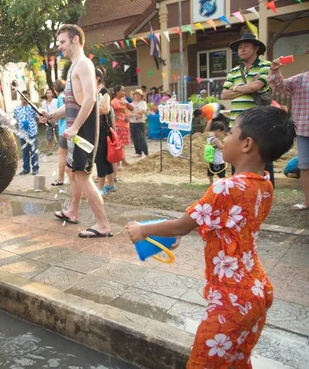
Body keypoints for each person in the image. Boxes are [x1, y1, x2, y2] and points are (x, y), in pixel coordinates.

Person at [126, 106, 296, 369]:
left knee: (202, 364)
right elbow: (232, 227)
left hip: (232, 296)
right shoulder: (265, 184)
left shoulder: (225, 186)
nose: (223, 137)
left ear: (247, 144)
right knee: (238, 362)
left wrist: (143, 230)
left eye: (230, 132)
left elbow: (182, 226)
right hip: (258, 288)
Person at [41, 24, 112, 238]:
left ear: (75, 40)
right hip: (76, 130)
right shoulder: (73, 68)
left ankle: (103, 225)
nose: (59, 47)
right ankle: (72, 211)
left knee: (83, 176)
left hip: (84, 131)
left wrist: (75, 127)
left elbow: (90, 99)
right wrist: (52, 116)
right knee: (74, 172)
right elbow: (72, 105)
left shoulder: (84, 65)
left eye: (62, 42)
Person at [221, 32, 274, 185]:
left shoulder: (266, 65)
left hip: (259, 122)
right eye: (240, 48)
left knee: (261, 157)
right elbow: (224, 94)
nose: (242, 50)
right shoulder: (234, 71)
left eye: (246, 47)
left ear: (255, 48)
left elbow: (257, 86)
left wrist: (236, 88)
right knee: (237, 157)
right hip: (236, 122)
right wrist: (247, 87)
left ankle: (264, 192)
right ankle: (237, 190)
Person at [269, 61, 309, 211]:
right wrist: (274, 70)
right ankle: (307, 201)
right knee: (305, 167)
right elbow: (279, 85)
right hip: (304, 129)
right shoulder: (301, 79)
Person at [93, 68, 116, 194]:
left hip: (103, 130)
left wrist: (90, 107)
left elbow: (105, 109)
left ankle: (101, 187)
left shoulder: (104, 92)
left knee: (101, 158)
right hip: (95, 128)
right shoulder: (90, 92)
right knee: (104, 158)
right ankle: (111, 184)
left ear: (97, 78)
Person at [14, 90, 40, 176]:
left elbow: (37, 119)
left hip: (32, 132)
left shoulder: (32, 107)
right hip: (22, 134)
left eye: (26, 97)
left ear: (28, 97)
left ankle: (35, 168)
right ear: (20, 97)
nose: (24, 98)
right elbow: (16, 119)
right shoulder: (17, 109)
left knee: (33, 151)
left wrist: (33, 127)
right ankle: (26, 169)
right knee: (25, 151)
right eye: (22, 96)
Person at [112, 85, 134, 170]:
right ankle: (118, 163)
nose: (124, 92)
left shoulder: (124, 100)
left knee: (123, 144)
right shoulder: (114, 102)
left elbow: (132, 109)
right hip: (118, 126)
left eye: (124, 90)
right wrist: (116, 118)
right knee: (118, 144)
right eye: (122, 90)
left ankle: (123, 161)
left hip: (125, 125)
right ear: (117, 92)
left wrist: (126, 103)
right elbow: (110, 111)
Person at [51, 79, 68, 186]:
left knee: (62, 155)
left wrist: (52, 117)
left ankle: (61, 178)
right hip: (72, 129)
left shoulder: (60, 98)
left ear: (55, 89)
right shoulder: (68, 96)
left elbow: (63, 113)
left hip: (63, 130)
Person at [129, 88, 149, 158]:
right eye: (136, 95)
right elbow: (128, 112)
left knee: (141, 137)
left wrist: (133, 112)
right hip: (133, 122)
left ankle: (146, 153)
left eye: (139, 95)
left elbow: (142, 111)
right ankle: (138, 152)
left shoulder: (143, 103)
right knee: (135, 137)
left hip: (140, 122)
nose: (137, 96)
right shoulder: (130, 104)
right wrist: (135, 113)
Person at [41, 89, 58, 155]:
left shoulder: (56, 101)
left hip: (57, 121)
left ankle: (60, 149)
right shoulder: (43, 103)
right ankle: (50, 150)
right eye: (47, 93)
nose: (49, 94)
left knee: (59, 136)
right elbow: (43, 112)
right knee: (49, 137)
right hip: (48, 123)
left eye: (50, 93)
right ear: (46, 94)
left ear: (52, 94)